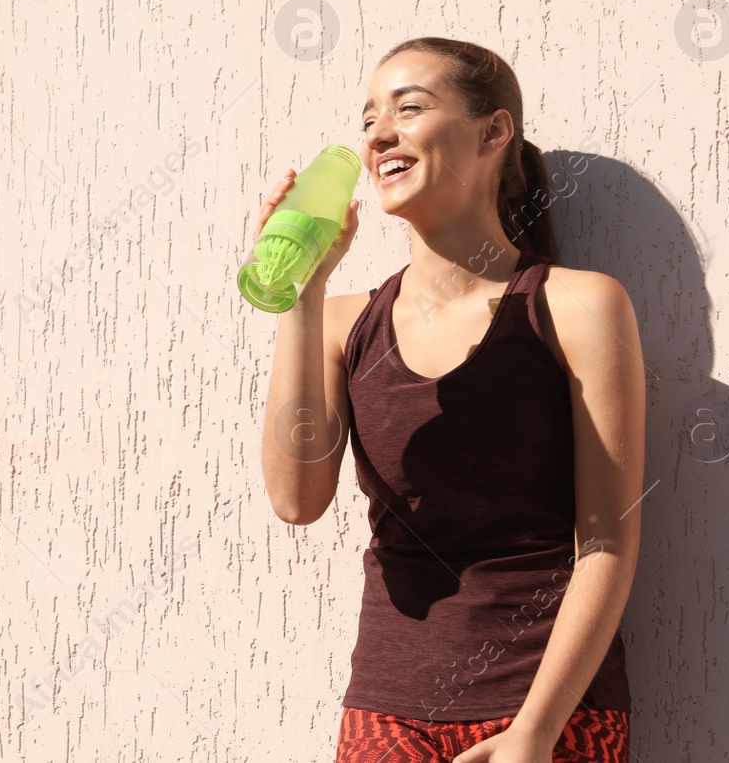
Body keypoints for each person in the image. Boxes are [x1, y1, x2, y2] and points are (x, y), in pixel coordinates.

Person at [256, 37, 644, 762]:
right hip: (387, 710)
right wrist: (300, 297)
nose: (377, 135)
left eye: (409, 108)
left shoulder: (578, 306)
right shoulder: (344, 324)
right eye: (369, 117)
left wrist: (536, 730)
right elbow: (296, 497)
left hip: (546, 710)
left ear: (494, 131)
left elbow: (607, 540)